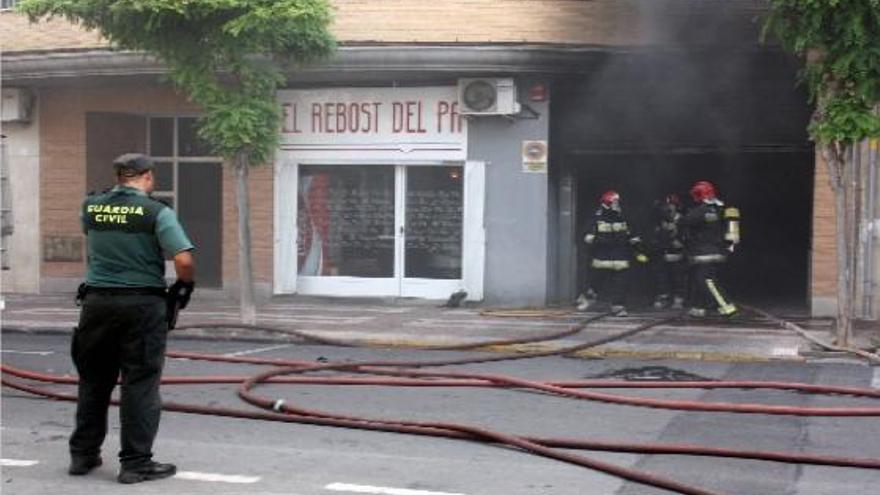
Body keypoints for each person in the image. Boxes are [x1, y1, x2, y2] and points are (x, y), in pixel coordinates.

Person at [70, 153, 195, 484]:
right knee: (140, 384)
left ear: (119, 176)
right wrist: (185, 284)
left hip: (96, 304)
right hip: (141, 305)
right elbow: (182, 259)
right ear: (148, 176)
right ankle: (135, 463)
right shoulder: (157, 212)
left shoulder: (91, 206)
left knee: (94, 381)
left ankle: (82, 456)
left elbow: (95, 237)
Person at [578, 190, 647, 316]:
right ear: (607, 203)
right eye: (614, 202)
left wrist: (639, 251)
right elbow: (587, 237)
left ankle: (618, 306)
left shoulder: (624, 217)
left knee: (621, 283)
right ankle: (587, 298)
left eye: (617, 202)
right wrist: (598, 242)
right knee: (595, 282)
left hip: (620, 256)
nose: (616, 205)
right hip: (601, 256)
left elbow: (634, 235)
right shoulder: (597, 217)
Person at [682, 180, 739, 317]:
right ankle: (698, 307)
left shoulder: (699, 211)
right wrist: (729, 247)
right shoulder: (725, 208)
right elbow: (732, 230)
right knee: (699, 279)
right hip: (718, 251)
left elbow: (684, 222)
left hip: (704, 253)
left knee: (706, 280)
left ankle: (726, 307)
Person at [649, 194, 687, 309]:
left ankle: (679, 298)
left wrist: (681, 243)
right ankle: (663, 297)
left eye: (671, 205)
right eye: (666, 205)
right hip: (662, 251)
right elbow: (654, 235)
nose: (668, 208)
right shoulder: (659, 220)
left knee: (678, 276)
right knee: (661, 276)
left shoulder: (683, 220)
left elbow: (689, 235)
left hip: (677, 252)